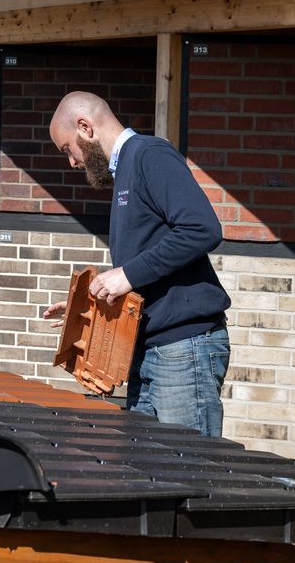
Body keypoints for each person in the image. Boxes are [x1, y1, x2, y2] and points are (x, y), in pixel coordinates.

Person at [43, 91, 230, 436]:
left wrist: (126, 275)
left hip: (182, 349)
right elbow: (147, 262)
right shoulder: (125, 171)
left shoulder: (149, 154)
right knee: (145, 463)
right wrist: (90, 304)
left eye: (67, 149)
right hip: (149, 350)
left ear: (85, 127)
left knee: (188, 462)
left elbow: (202, 228)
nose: (71, 162)